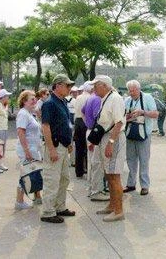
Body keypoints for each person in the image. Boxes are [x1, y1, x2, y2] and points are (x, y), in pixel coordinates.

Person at [40, 74, 76, 223]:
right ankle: (48, 211)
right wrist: (52, 149)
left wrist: (68, 143)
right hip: (54, 146)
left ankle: (60, 206)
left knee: (64, 179)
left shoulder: (62, 102)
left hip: (63, 145)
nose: (70, 89)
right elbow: (46, 126)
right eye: (67, 86)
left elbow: (65, 124)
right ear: (58, 85)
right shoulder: (49, 103)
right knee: (52, 180)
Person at [90, 75, 126, 222]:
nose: (93, 88)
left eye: (96, 85)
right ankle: (112, 205)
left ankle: (119, 211)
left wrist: (111, 142)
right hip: (106, 138)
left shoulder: (115, 98)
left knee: (114, 175)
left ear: (104, 86)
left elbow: (118, 123)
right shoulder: (106, 98)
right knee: (109, 175)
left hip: (113, 139)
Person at [123, 80, 158, 195]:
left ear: (139, 89)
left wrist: (143, 112)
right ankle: (131, 184)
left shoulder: (147, 98)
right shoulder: (127, 100)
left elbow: (155, 114)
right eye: (129, 91)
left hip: (144, 135)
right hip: (130, 134)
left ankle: (144, 186)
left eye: (133, 90)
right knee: (130, 160)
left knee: (144, 160)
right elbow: (122, 117)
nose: (131, 93)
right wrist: (128, 116)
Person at [15, 90, 43, 209]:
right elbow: (21, 132)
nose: (35, 101)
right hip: (27, 149)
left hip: (33, 149)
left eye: (35, 99)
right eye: (32, 99)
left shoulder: (29, 113)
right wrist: (27, 151)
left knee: (34, 172)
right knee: (26, 174)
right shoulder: (23, 114)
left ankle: (37, 197)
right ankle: (19, 201)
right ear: (24, 101)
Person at [82, 84, 109, 202]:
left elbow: (82, 112)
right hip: (96, 133)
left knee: (92, 163)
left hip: (90, 131)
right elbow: (98, 119)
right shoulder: (98, 99)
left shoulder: (90, 98)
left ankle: (91, 188)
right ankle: (96, 191)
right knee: (97, 164)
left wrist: (88, 125)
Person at [73, 83, 90, 177]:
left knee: (78, 148)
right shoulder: (91, 97)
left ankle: (78, 171)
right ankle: (87, 167)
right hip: (86, 121)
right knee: (87, 147)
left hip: (77, 121)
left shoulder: (78, 98)